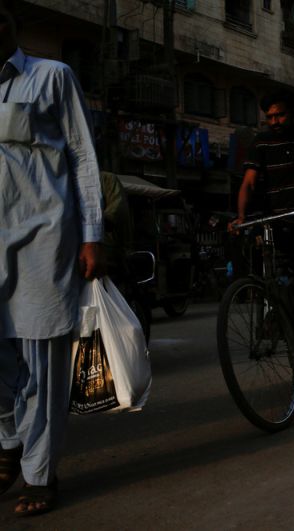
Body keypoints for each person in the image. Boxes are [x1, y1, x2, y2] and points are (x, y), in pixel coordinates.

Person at [0, 0, 103, 516]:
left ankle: (39, 472)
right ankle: (8, 443)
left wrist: (91, 235)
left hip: (45, 236)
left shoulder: (52, 76)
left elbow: (83, 154)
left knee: (42, 357)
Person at [231, 88, 294, 380]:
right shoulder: (259, 143)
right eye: (270, 117)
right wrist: (240, 217)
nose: (275, 121)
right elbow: (249, 183)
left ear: (292, 114)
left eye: (280, 115)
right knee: (272, 280)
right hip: (275, 221)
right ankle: (278, 321)